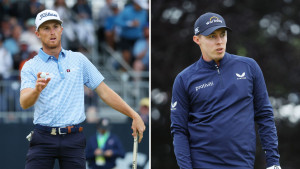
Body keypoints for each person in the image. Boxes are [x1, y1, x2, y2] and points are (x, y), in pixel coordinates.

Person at [20, 9, 145, 169]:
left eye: (55, 27)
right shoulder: (30, 66)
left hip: (73, 139)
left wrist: (134, 114)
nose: (52, 32)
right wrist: (37, 90)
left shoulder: (78, 60)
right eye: (46, 28)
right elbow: (24, 102)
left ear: (61, 30)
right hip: (43, 138)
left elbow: (104, 92)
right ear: (37, 33)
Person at [170, 12, 281, 169]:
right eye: (212, 36)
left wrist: (273, 162)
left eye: (223, 35)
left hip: (242, 164)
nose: (219, 42)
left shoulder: (249, 67)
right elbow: (179, 130)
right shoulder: (184, 79)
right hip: (202, 164)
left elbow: (265, 116)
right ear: (197, 40)